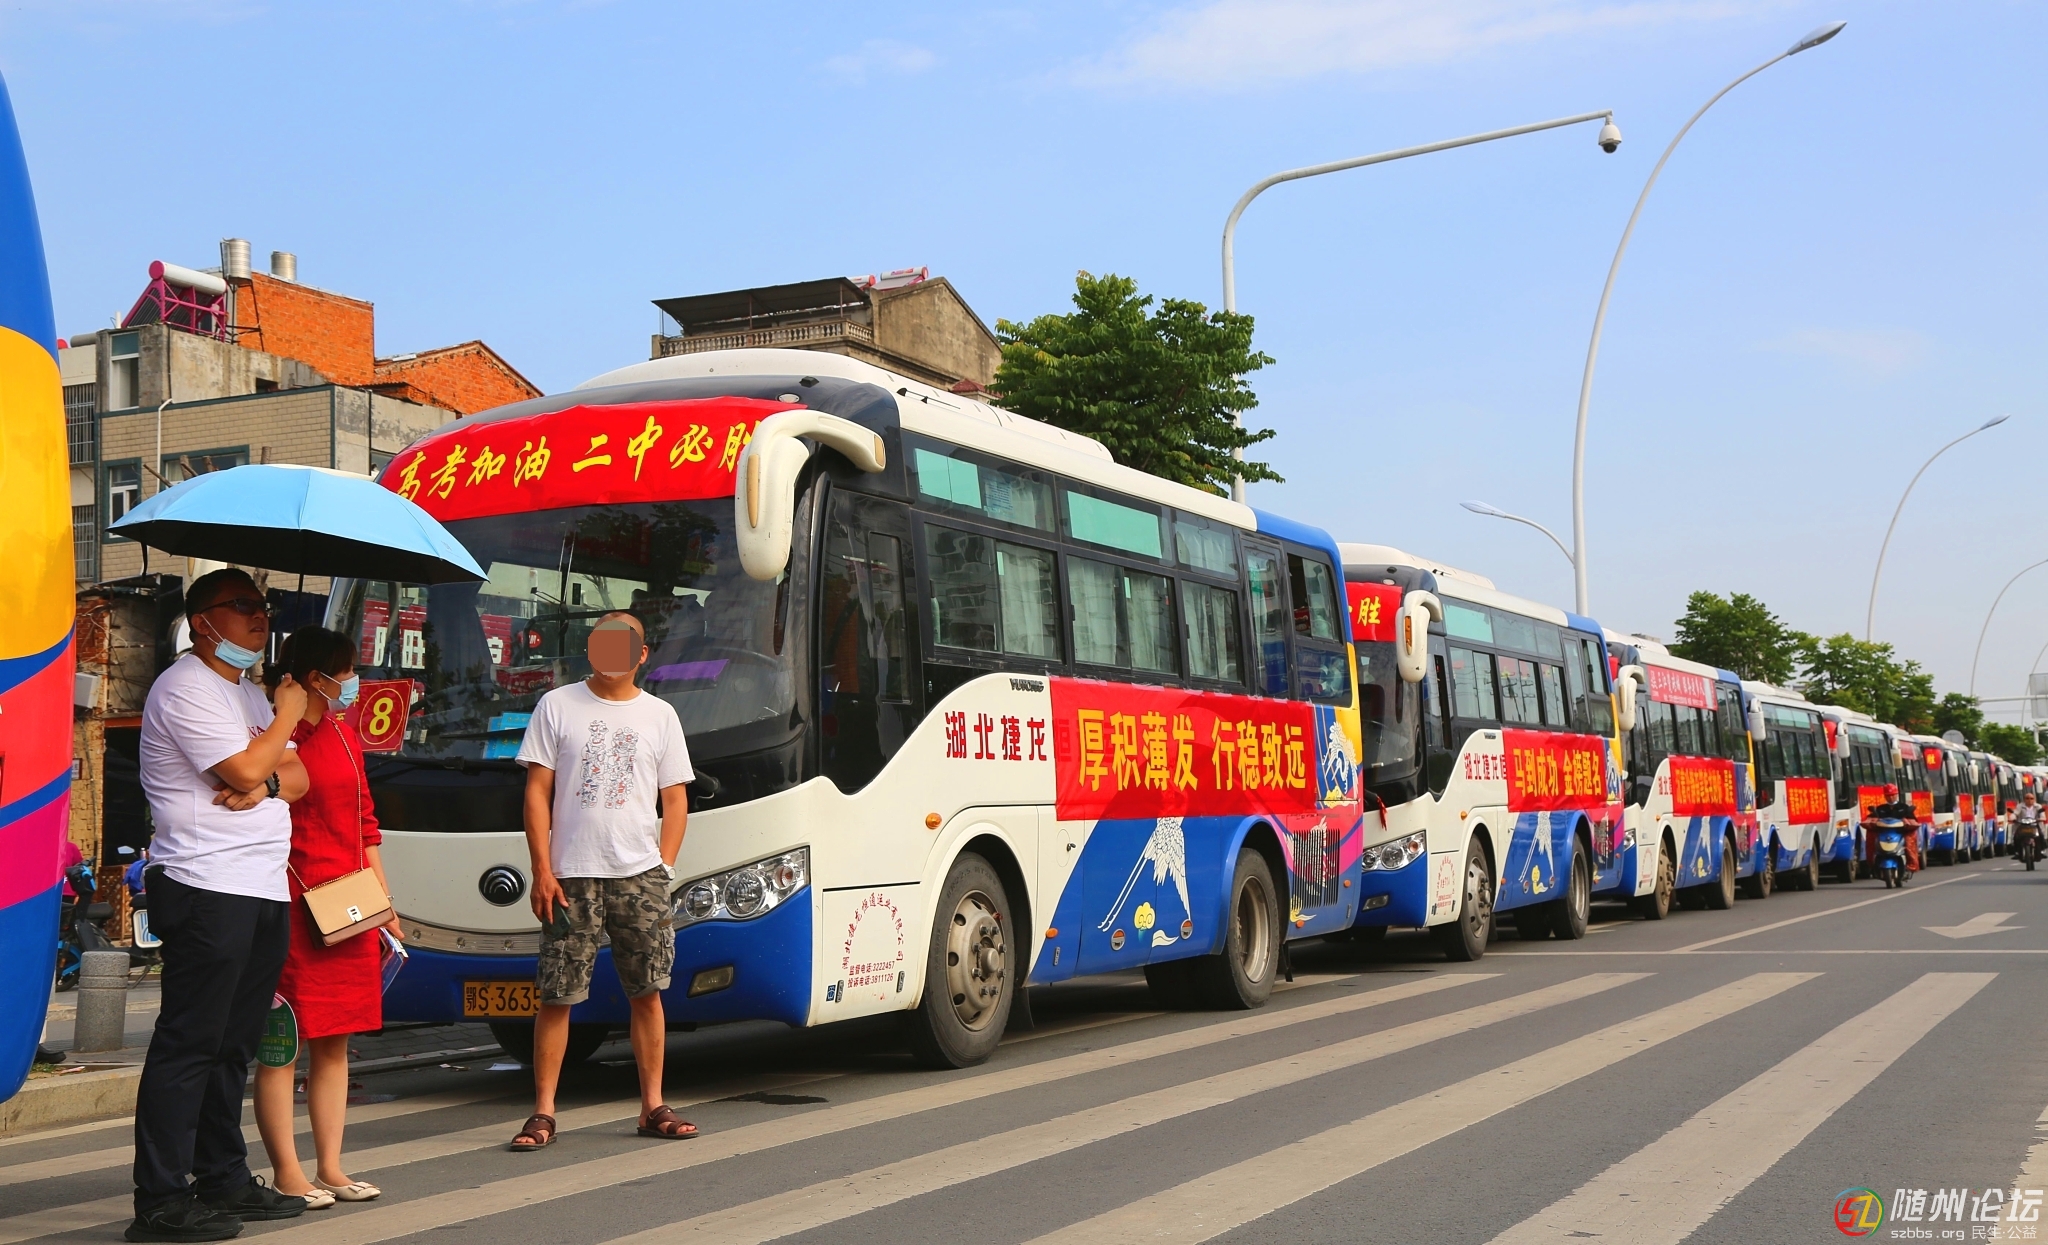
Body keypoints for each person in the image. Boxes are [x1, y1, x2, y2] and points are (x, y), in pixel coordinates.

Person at [130, 569, 311, 1243]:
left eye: (264, 606)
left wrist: (264, 780)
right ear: (202, 621)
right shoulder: (185, 688)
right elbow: (241, 769)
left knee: (233, 1044)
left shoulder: (247, 693)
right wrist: (284, 721)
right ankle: (160, 1198)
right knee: (190, 1042)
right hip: (205, 882)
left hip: (261, 883)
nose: (260, 617)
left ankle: (223, 1176)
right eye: (242, 606)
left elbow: (297, 776)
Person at [508, 610, 694, 1151]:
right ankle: (543, 1112)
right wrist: (542, 870)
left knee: (648, 992)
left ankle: (652, 1105)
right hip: (570, 877)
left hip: (640, 876)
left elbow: (675, 799)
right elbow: (537, 792)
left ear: (642, 654)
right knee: (557, 994)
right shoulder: (556, 705)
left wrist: (664, 866)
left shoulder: (660, 715)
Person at [252, 628, 400, 1210]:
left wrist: (384, 902)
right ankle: (288, 1173)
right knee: (282, 1043)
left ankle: (331, 1167)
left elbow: (367, 824)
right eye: (346, 672)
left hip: (349, 905)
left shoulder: (344, 732)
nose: (353, 682)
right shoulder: (279, 734)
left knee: (336, 1042)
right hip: (292, 904)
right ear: (317, 678)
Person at [1864, 783, 1922, 874]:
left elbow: (1912, 819)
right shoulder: (1880, 809)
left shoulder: (1904, 808)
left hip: (1900, 833)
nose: (1891, 798)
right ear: (1885, 796)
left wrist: (1907, 822)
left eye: (1892, 795)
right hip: (1884, 833)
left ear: (1896, 795)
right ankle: (1872, 863)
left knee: (1909, 840)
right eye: (1888, 796)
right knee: (1871, 838)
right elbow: (1872, 818)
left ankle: (1911, 864)